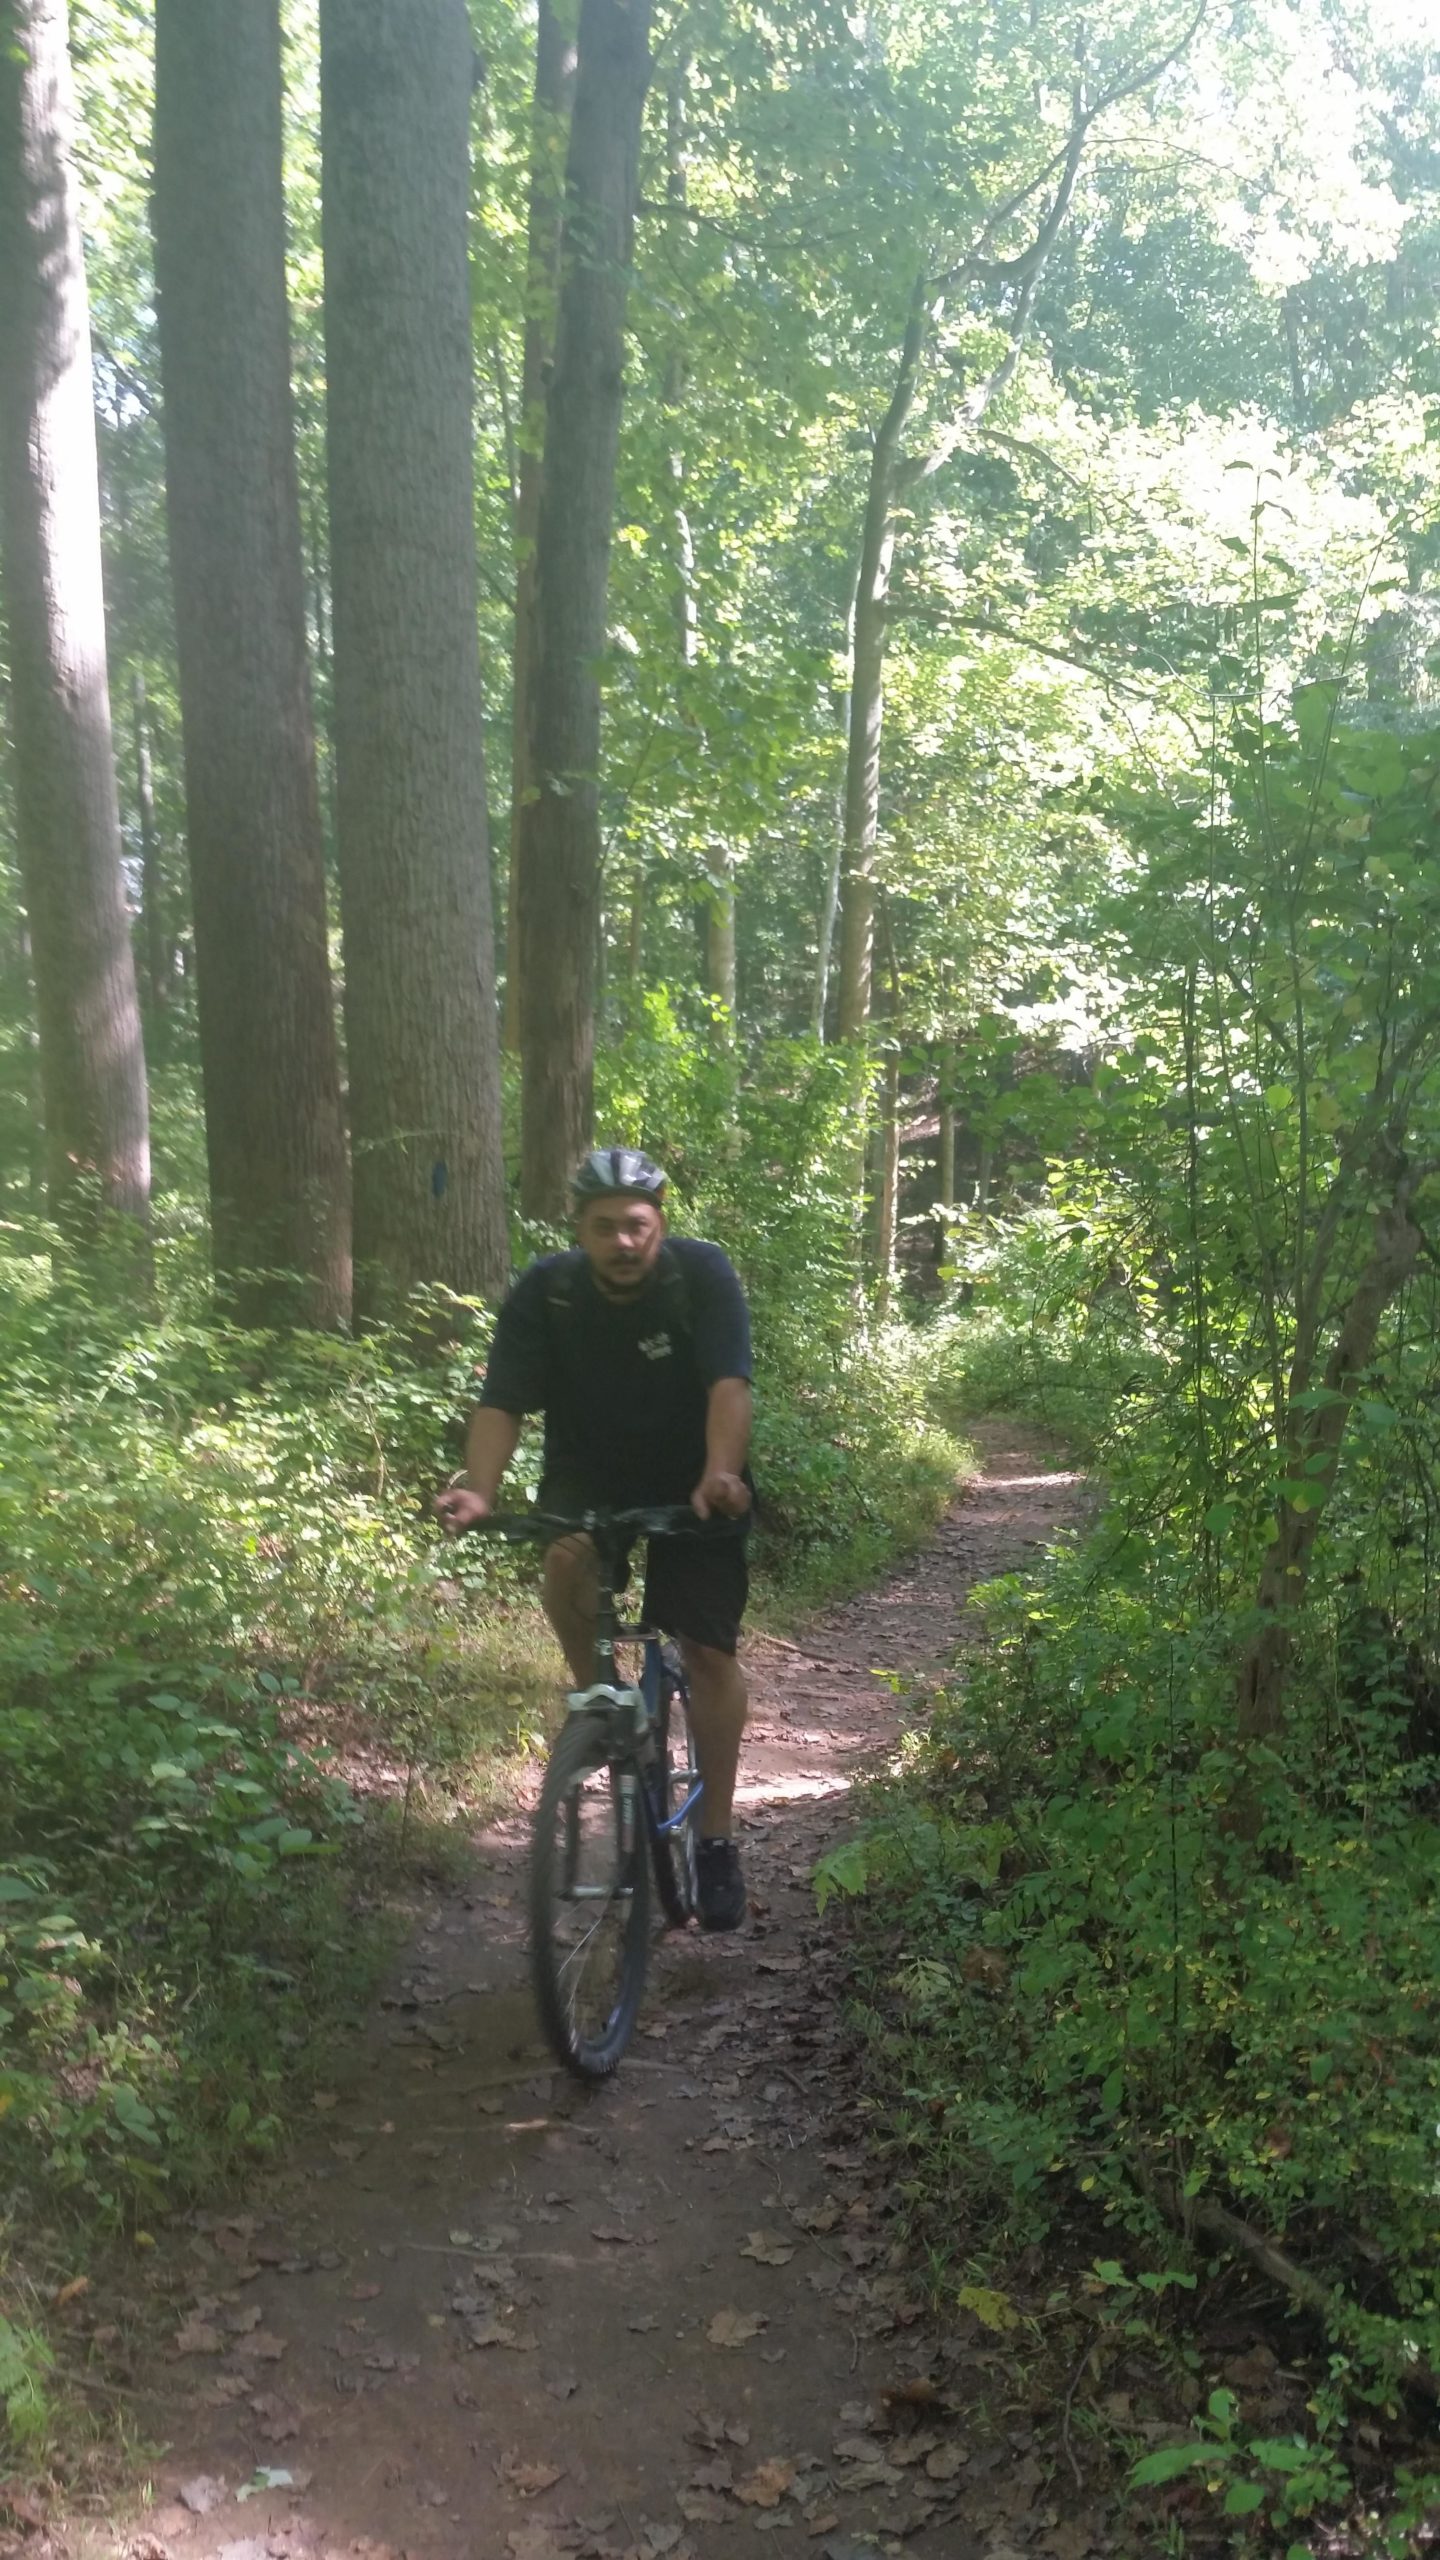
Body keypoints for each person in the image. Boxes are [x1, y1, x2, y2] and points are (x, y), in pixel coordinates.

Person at [435, 1146, 753, 1932]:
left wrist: (720, 1471)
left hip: (695, 1475)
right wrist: (480, 1489)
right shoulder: (549, 1293)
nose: (623, 1242)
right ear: (578, 1229)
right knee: (565, 1560)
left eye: (637, 1225)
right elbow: (502, 1401)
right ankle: (600, 1712)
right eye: (605, 1227)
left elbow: (729, 1384)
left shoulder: (700, 1275)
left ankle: (716, 1839)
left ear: (660, 1224)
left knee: (707, 1650)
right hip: (589, 1472)